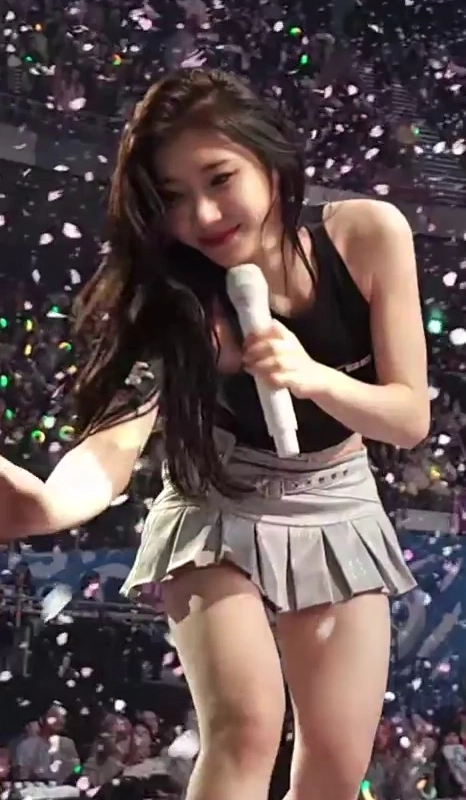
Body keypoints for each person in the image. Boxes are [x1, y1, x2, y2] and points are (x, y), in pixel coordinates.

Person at [0, 68, 429, 800]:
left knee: (335, 768)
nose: (202, 214)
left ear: (270, 158)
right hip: (216, 502)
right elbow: (114, 442)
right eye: (172, 197)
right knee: (246, 728)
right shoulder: (174, 300)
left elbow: (410, 418)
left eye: (220, 178)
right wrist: (46, 506)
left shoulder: (367, 233)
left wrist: (311, 375)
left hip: (338, 502)